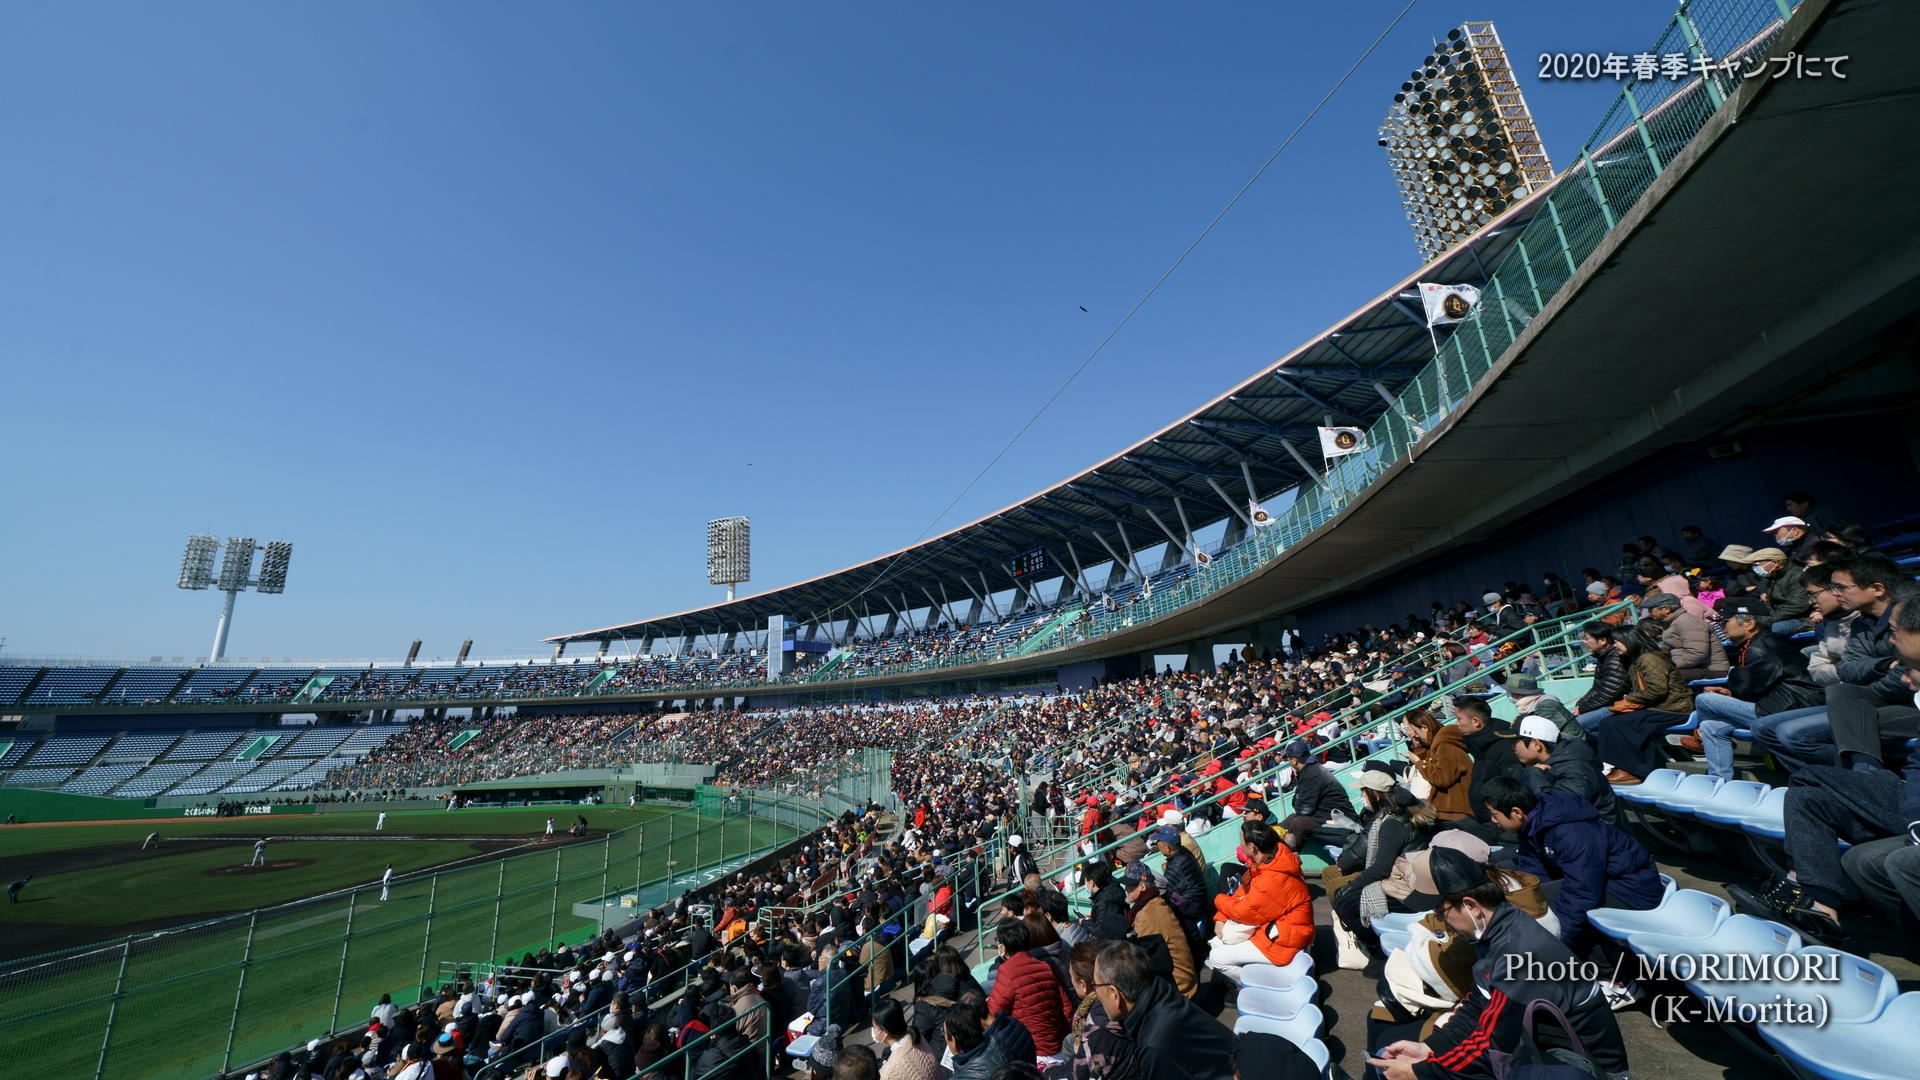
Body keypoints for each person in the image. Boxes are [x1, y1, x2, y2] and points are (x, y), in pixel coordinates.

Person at [1366, 848, 1632, 1080]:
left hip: (1579, 1068)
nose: (1441, 921)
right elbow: (1480, 1003)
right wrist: (1432, 1047)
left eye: (1440, 912)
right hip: (1536, 1049)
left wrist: (1421, 1072)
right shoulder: (1498, 928)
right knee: (1389, 1045)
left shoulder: (1521, 954)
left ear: (1471, 905)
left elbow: (1494, 1046)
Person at [1481, 777, 1659, 1003]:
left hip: (1632, 888)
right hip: (1598, 882)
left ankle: (1619, 983)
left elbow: (1582, 892)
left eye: (1495, 814)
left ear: (1516, 812)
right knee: (1533, 902)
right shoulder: (1534, 823)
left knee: (1567, 911)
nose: (1492, 820)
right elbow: (1534, 876)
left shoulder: (1572, 831)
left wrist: (1555, 940)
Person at [1683, 597, 1824, 781]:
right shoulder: (1757, 643)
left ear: (1749, 624)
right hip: (1773, 706)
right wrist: (1731, 692)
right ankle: (1719, 782)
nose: (1723, 627)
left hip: (1790, 709)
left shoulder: (1762, 646)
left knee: (1704, 700)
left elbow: (1746, 686)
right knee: (1712, 727)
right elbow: (1752, 687)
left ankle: (1699, 736)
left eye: (1727, 621)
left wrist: (1733, 688)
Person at [1322, 768, 1428, 970]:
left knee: (1345, 902)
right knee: (1344, 894)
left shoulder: (1392, 823)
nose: (1362, 796)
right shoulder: (1392, 816)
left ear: (1376, 794)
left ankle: (1378, 953)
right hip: (1399, 876)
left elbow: (1381, 868)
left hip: (1404, 884)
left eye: (1364, 791)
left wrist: (1353, 886)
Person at [1093, 941, 1234, 1080]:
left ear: (1114, 994)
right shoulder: (1162, 993)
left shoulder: (1153, 1049)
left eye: (1095, 986)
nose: (1096, 993)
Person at [1204, 821, 1312, 982]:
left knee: (1216, 957)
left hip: (1285, 940)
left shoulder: (1272, 877)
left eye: (1241, 843)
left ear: (1252, 847)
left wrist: (1218, 900)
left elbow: (1244, 913)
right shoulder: (1271, 858)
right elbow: (1242, 892)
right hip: (1275, 927)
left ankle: (1261, 985)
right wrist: (1221, 916)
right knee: (1217, 942)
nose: (1239, 846)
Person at [1593, 621, 1694, 785]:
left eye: (1617, 642)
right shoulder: (1637, 659)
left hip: (1673, 708)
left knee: (1616, 724)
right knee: (1609, 722)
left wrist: (1628, 701)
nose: (1615, 646)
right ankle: (1621, 767)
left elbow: (1657, 690)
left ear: (1628, 640)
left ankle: (1632, 770)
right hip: (1659, 706)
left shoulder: (1649, 658)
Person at [985, 918, 1071, 1056]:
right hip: (1057, 1045)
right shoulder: (1044, 966)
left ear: (1003, 945)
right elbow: (1066, 1008)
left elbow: (993, 1011)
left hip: (1031, 1049)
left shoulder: (1007, 970)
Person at [1446, 696, 1524, 841]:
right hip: (1487, 821)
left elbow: (1512, 794)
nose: (1456, 724)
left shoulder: (1503, 748)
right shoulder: (1481, 747)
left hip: (1502, 827)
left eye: (1459, 719)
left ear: (1476, 721)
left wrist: (1498, 822)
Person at [1511, 716, 1614, 822]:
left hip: (1600, 834)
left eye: (1515, 741)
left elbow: (1558, 809)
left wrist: (1534, 775)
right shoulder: (1537, 765)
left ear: (1537, 744)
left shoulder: (1576, 769)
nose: (1513, 747)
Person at [1116, 861, 1197, 997]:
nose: (1126, 889)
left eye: (1130, 885)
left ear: (1142, 886)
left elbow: (1141, 958)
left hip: (1179, 988)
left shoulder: (1147, 914)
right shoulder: (1153, 903)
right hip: (1183, 979)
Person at [1275, 739, 1357, 854]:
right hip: (1327, 815)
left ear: (1294, 760)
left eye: (1287, 758)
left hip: (1343, 820)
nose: (1287, 761)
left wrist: (1298, 799)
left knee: (1299, 823)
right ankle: (1271, 840)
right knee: (1291, 819)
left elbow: (1303, 810)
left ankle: (1288, 857)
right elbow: (1298, 804)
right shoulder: (1310, 770)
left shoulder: (1311, 774)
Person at [1401, 708, 1472, 821]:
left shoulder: (1445, 745)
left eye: (1415, 730)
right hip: (1452, 810)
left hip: (1458, 811)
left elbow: (1441, 778)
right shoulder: (1437, 743)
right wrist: (1417, 744)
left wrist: (1419, 763)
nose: (1415, 735)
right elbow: (1429, 760)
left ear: (1424, 728)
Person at [1640, 592, 1725, 681]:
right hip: (1692, 667)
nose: (1649, 613)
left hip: (1712, 669)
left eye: (1651, 609)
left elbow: (1696, 654)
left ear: (1666, 609)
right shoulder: (1672, 622)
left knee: (1658, 677)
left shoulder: (1687, 622)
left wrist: (1669, 665)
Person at [1571, 623, 1630, 735]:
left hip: (1618, 705)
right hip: (1610, 703)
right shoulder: (1604, 657)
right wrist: (1580, 705)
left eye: (1587, 638)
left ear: (1603, 640)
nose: (1585, 642)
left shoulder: (1615, 658)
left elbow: (1609, 693)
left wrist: (1583, 708)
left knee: (1577, 725)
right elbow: (1596, 688)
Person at [1500, 672, 1583, 744]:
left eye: (1510, 692)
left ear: (1521, 693)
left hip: (1572, 745)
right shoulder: (1530, 705)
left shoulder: (1547, 705)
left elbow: (1542, 734)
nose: (1508, 694)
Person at [871, 998, 941, 1080]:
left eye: (874, 1026)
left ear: (885, 1032)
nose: (872, 1029)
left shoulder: (888, 1072)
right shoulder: (917, 1037)